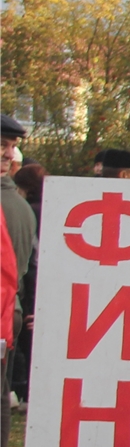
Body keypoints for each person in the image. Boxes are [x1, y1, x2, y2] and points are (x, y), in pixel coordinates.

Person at [0, 116, 36, 360]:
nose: (10, 155)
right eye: (3, 145)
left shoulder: (13, 204)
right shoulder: (19, 204)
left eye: (12, 146)